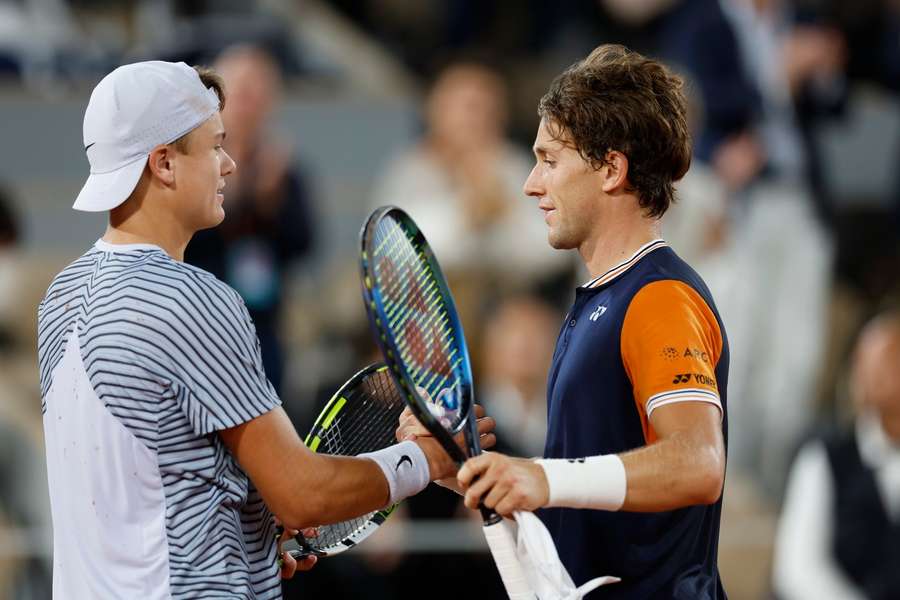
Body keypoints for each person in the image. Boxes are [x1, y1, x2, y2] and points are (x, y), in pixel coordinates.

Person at [38, 60, 494, 599]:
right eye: (213, 146)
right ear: (163, 164)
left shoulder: (60, 296)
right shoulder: (193, 298)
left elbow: (151, 480)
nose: (229, 164)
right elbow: (300, 494)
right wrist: (426, 458)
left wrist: (248, 529)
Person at [452, 44, 729, 598]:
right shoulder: (602, 302)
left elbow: (700, 462)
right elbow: (577, 519)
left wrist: (540, 477)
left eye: (550, 159)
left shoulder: (659, 298)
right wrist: (468, 469)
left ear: (610, 169)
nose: (531, 183)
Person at [185, 44, 315, 393]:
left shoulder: (281, 166)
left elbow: (305, 243)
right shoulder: (190, 162)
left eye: (258, 93)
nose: (248, 102)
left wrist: (273, 203)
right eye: (239, 91)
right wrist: (239, 195)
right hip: (197, 318)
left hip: (261, 322)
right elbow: (179, 237)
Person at [772, 308, 900, 600]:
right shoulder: (824, 455)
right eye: (875, 367)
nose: (885, 379)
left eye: (893, 365)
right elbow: (798, 570)